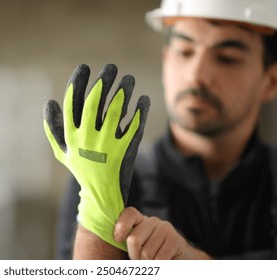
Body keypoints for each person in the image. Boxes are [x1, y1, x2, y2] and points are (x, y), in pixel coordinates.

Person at [51, 0, 277, 259]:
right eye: (184, 51)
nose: (196, 75)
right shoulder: (106, 178)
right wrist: (97, 218)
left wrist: (198, 268)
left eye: (227, 58)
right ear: (166, 60)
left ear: (271, 81)